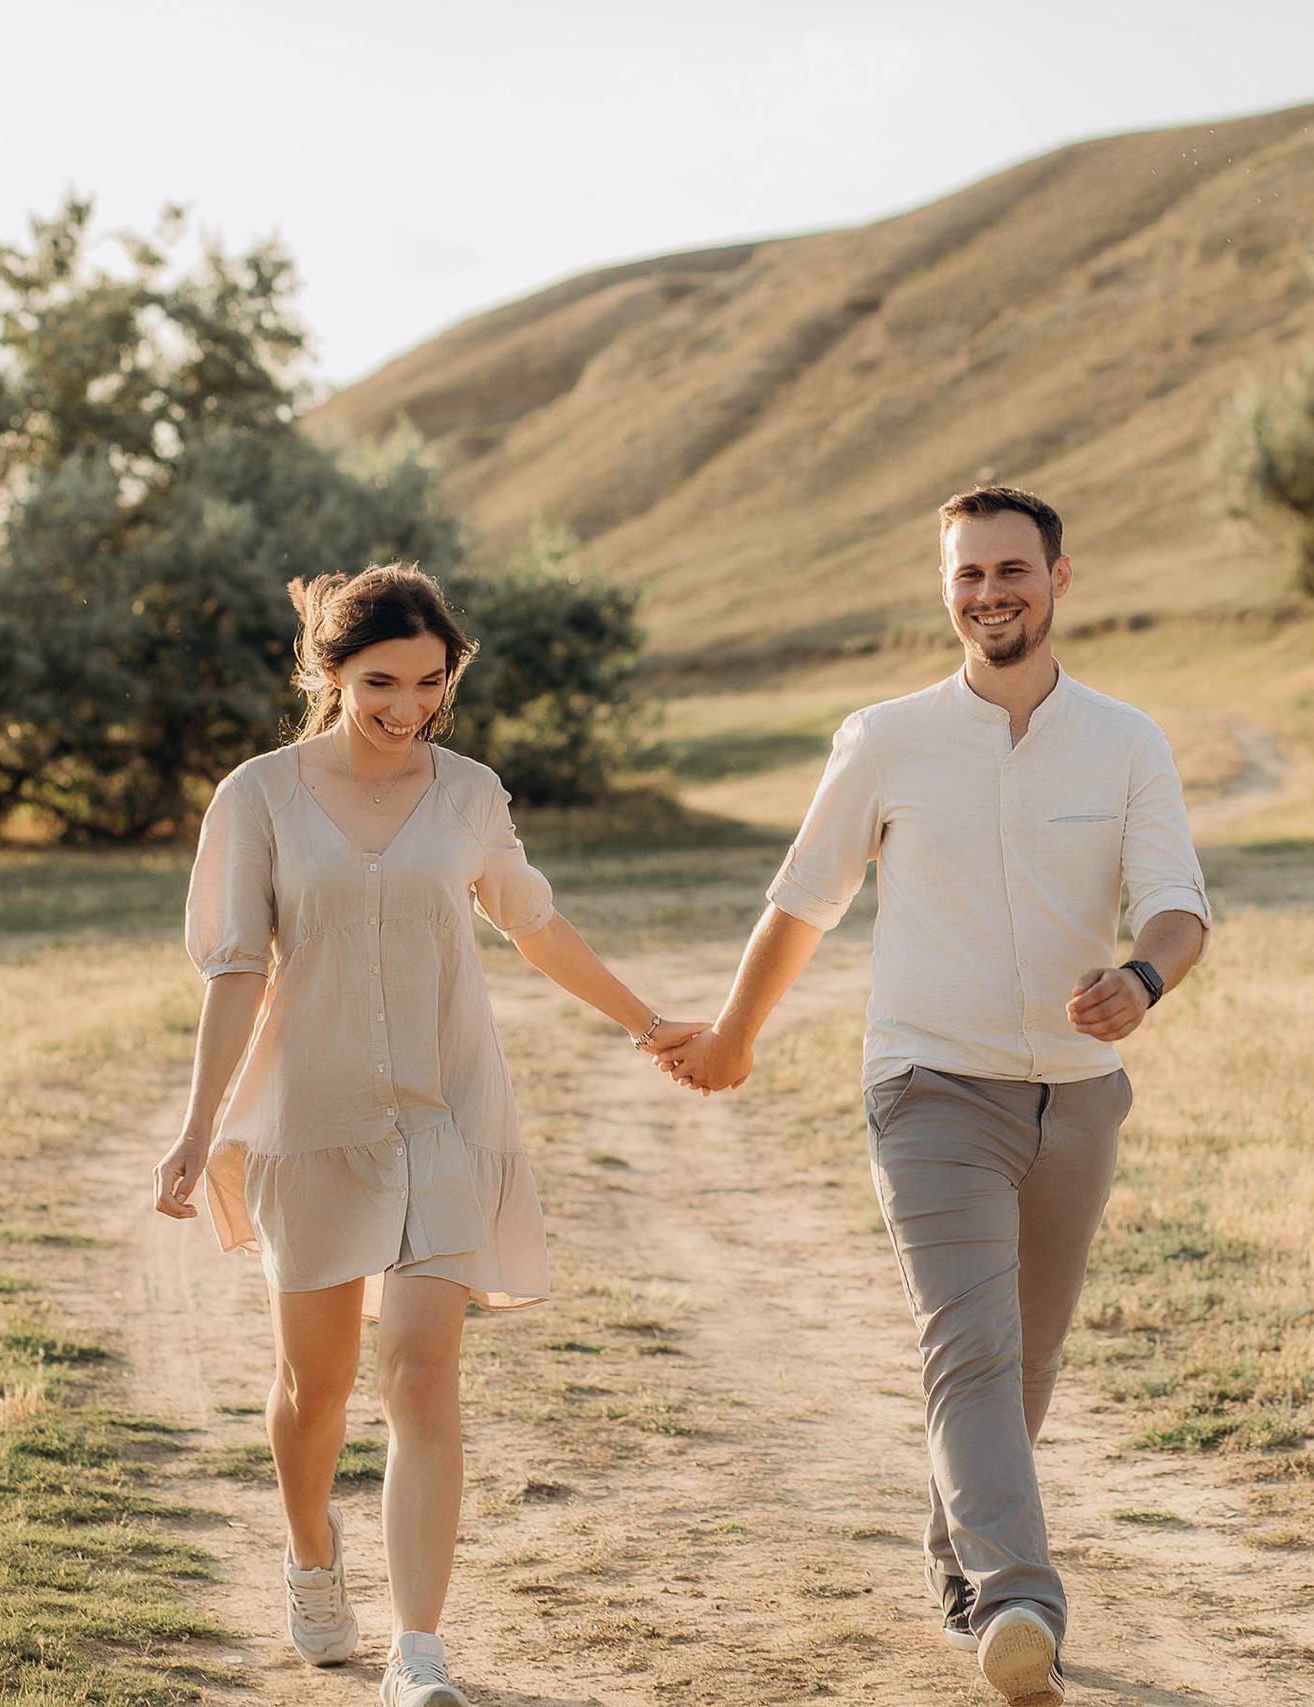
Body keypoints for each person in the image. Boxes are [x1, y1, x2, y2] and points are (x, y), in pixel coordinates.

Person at [657, 487, 1210, 1707]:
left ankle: (961, 1563)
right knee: (968, 1339)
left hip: (1076, 1096)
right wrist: (737, 1034)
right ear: (944, 588)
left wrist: (1142, 977)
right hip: (927, 1084)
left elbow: (1177, 901)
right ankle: (1023, 1598)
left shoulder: (1126, 741)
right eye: (967, 574)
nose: (989, 593)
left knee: (1027, 1360)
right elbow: (803, 898)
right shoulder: (887, 737)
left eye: (1012, 569)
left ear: (1062, 577)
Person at [150, 565, 699, 1707]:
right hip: (312, 1121)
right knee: (318, 1385)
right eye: (380, 683)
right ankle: (311, 1558)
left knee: (419, 1371)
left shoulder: (467, 794)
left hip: (450, 1114)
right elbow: (236, 968)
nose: (407, 707)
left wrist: (648, 1022)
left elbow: (533, 926)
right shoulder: (256, 796)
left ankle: (419, 1650)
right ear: (328, 672)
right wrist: (199, 1128)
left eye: (429, 683)